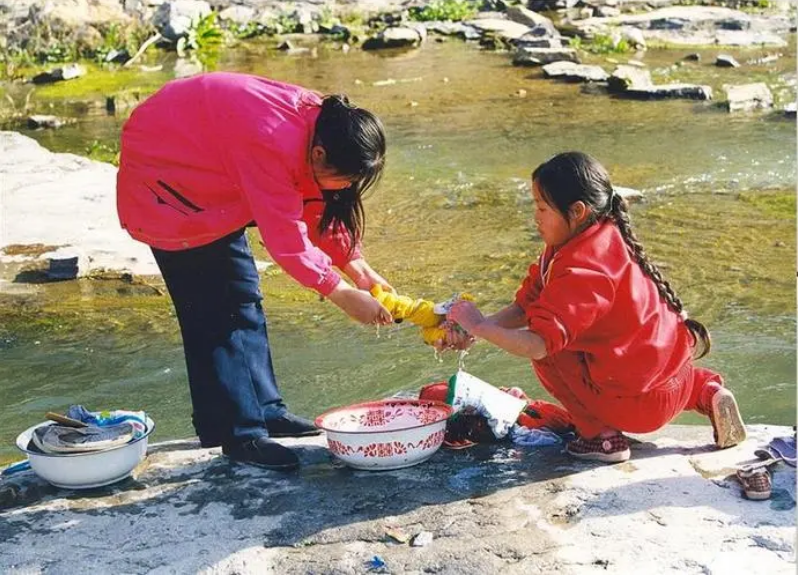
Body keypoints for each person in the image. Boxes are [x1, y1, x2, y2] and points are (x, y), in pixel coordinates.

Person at [116, 72, 395, 471]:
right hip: (167, 186)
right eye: (346, 178)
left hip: (213, 171)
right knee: (213, 316)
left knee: (243, 297)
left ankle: (265, 410)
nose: (346, 188)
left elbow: (317, 201)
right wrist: (342, 293)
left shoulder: (326, 129)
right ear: (318, 155)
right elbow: (287, 240)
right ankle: (238, 436)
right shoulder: (271, 142)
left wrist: (357, 267)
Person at [446, 151, 746, 463]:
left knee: (553, 350)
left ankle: (600, 438)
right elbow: (525, 305)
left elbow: (537, 345)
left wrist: (481, 326)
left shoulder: (582, 268)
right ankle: (708, 393)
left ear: (576, 211)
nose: (535, 216)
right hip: (677, 380)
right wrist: (476, 329)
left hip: (637, 409)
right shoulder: (603, 234)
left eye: (541, 207)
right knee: (634, 358)